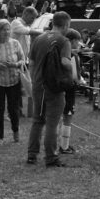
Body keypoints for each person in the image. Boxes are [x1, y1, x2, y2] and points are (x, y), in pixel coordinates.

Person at [26, 11, 74, 168]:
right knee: (53, 123)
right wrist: (74, 76)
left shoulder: (39, 38)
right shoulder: (63, 41)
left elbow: (31, 63)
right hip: (54, 87)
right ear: (66, 24)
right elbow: (65, 62)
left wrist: (34, 80)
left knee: (37, 120)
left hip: (38, 86)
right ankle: (51, 157)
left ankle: (32, 155)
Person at [0, 18, 25, 143]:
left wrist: (15, 64)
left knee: (13, 109)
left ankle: (16, 132)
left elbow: (22, 60)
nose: (7, 32)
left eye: (8, 29)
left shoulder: (15, 43)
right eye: (4, 29)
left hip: (14, 80)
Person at [11, 6, 44, 119]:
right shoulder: (16, 23)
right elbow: (28, 32)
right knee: (14, 88)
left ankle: (19, 111)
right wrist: (44, 33)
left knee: (22, 87)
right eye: (32, 17)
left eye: (35, 18)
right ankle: (13, 112)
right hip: (14, 61)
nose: (33, 20)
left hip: (24, 61)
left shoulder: (26, 25)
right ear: (25, 14)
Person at [59, 29, 86, 155]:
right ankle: (64, 146)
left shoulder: (59, 52)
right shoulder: (73, 56)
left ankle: (62, 144)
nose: (78, 44)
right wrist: (81, 81)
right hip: (69, 88)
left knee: (61, 116)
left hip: (59, 87)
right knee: (68, 116)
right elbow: (75, 75)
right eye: (78, 41)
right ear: (73, 41)